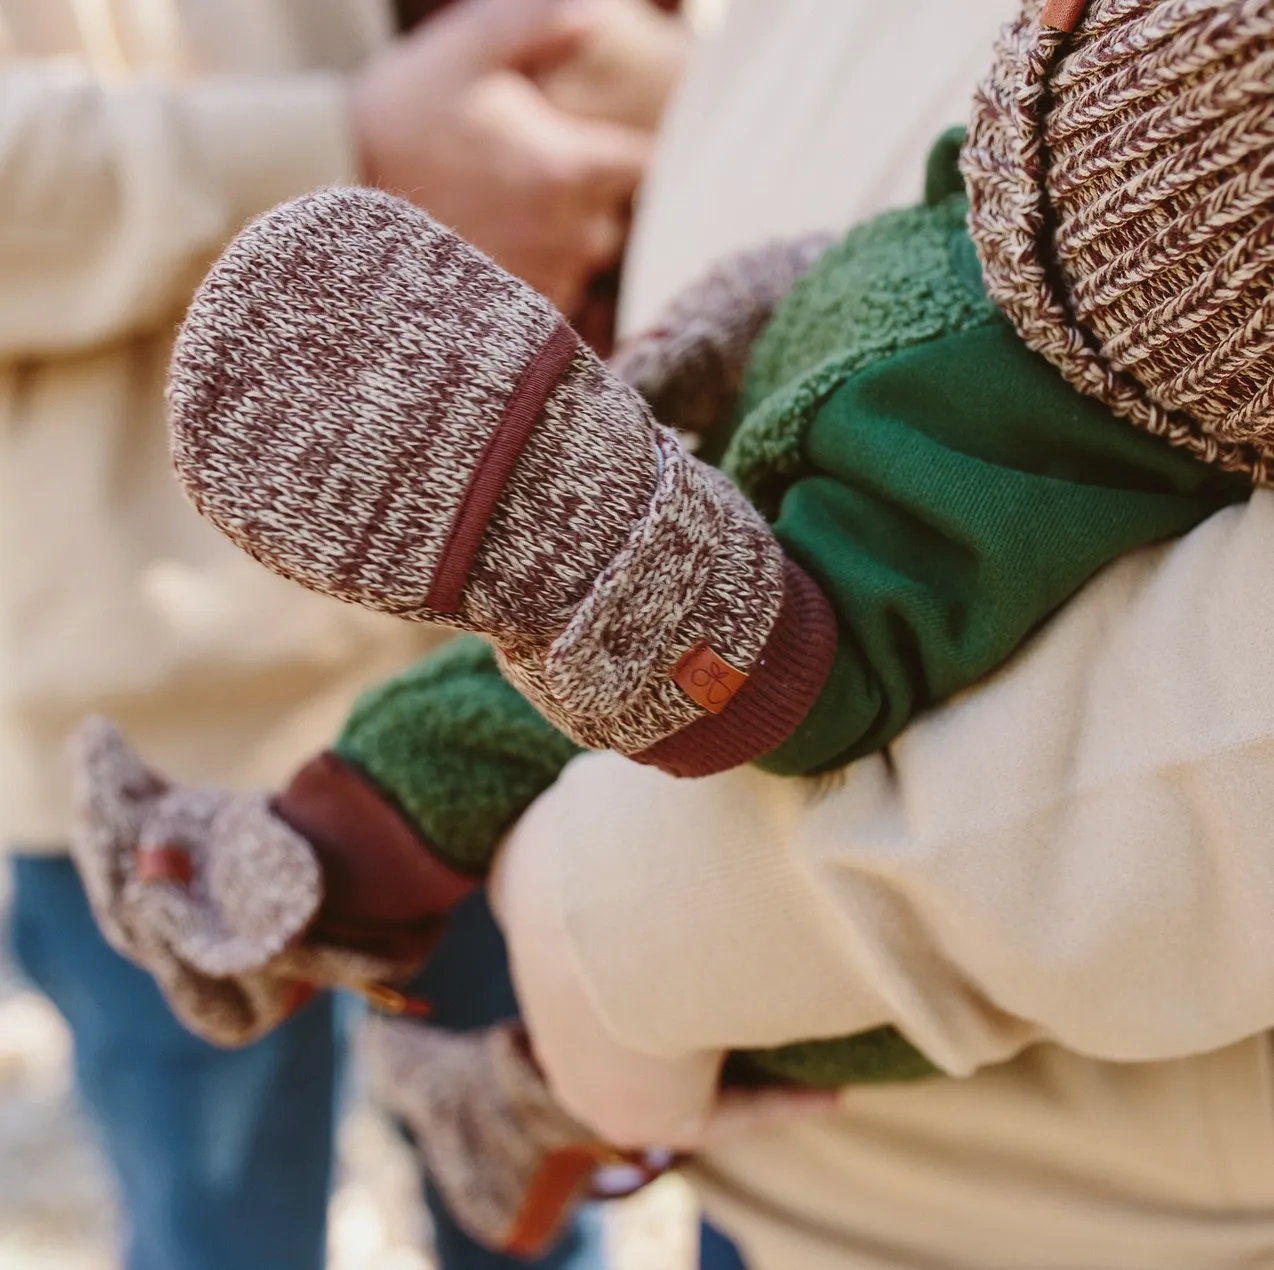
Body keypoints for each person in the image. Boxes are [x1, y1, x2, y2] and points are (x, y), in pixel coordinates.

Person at [0, 1, 690, 1267]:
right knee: (227, 1233)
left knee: (533, 1208)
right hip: (165, 725)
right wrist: (345, 143)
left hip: (503, 691)